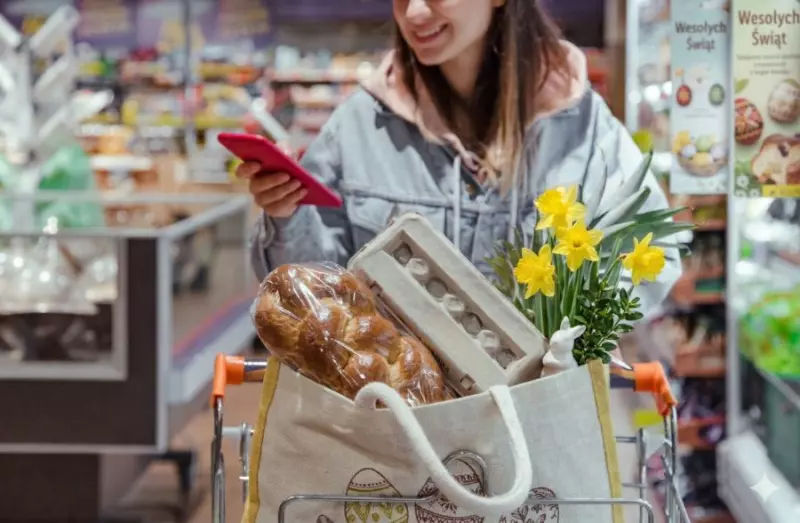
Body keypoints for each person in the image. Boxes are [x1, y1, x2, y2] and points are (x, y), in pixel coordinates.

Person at [238, 0, 681, 314]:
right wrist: (286, 214)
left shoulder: (581, 126)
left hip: (530, 426)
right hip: (393, 423)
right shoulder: (359, 124)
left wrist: (576, 336)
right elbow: (312, 292)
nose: (413, 12)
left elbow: (654, 252)